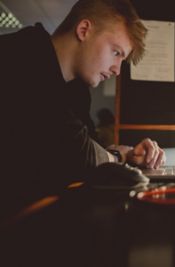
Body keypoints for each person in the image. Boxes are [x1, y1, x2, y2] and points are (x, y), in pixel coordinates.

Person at [0, 0, 165, 216]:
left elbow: (91, 148)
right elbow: (81, 154)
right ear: (84, 30)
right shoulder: (24, 56)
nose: (117, 70)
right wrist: (118, 157)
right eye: (116, 52)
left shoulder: (76, 89)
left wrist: (126, 155)